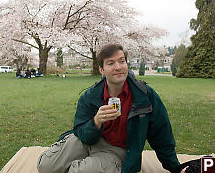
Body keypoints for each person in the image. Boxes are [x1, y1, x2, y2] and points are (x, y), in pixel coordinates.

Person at [37, 44, 180, 173]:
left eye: (122, 61)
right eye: (111, 63)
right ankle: (85, 160)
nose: (118, 67)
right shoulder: (89, 96)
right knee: (45, 166)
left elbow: (162, 134)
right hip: (87, 141)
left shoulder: (145, 96)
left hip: (116, 151)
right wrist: (96, 122)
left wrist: (175, 168)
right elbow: (80, 131)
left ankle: (88, 164)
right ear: (102, 70)